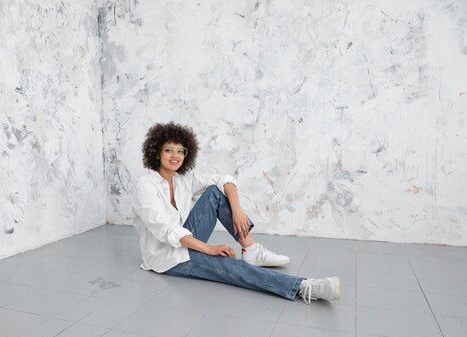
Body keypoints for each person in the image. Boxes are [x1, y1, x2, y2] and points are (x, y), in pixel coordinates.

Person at [132, 122, 341, 303]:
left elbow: (225, 180)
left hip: (187, 239)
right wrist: (208, 249)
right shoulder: (145, 185)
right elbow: (166, 231)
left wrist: (238, 210)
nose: (175, 155)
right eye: (169, 150)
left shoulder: (182, 179)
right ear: (156, 151)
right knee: (231, 268)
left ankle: (250, 249)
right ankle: (303, 287)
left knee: (214, 192)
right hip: (167, 256)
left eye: (181, 151)